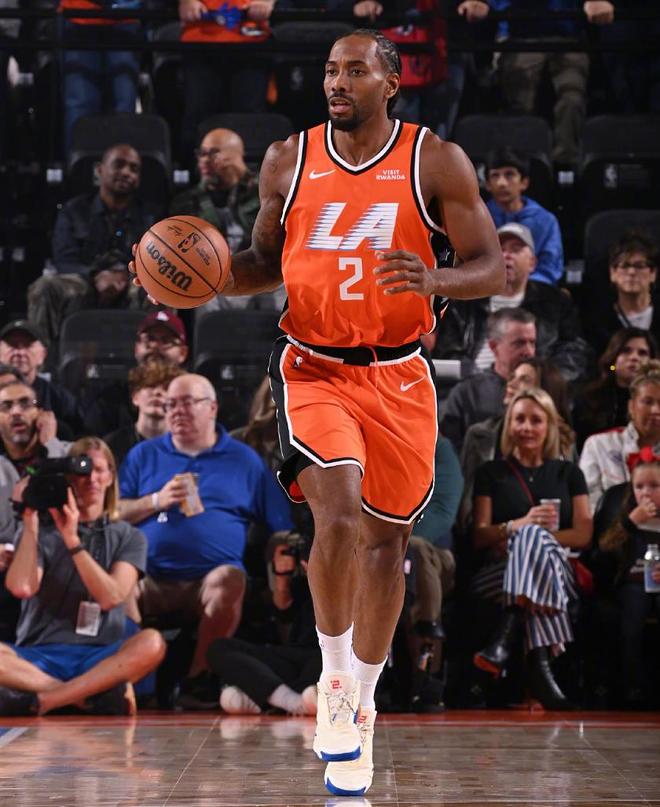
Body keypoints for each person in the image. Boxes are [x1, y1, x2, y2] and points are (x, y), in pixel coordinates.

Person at [132, 28, 503, 794]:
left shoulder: (435, 159)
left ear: (390, 82)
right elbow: (263, 263)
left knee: (386, 545)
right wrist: (201, 276)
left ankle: (361, 702)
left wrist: (435, 281)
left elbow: (493, 266)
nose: (337, 82)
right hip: (312, 365)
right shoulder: (287, 158)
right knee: (335, 516)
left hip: (399, 373)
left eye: (354, 71)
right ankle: (334, 682)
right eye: (330, 70)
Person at [118, 373, 295, 708]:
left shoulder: (244, 460)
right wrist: (155, 501)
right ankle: (138, 680)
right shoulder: (144, 454)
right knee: (119, 580)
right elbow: (114, 514)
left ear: (212, 407)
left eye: (187, 402)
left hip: (210, 579)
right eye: (171, 404)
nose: (177, 411)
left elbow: (280, 525)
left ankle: (198, 681)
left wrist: (281, 559)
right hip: (150, 577)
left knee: (230, 579)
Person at [0, 437, 166, 716]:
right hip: (41, 655)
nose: (91, 478)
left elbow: (111, 597)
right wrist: (29, 521)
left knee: (152, 642)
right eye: (82, 471)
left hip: (100, 655)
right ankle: (81, 697)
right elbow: (23, 587)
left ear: (111, 476)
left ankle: (46, 699)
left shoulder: (129, 536)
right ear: (68, 479)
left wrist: (73, 542)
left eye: (99, 469)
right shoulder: (38, 531)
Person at [470, 387, 592, 708]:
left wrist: (535, 538)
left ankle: (507, 632)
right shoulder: (490, 473)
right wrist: (518, 525)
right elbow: (479, 536)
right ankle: (540, 667)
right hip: (499, 574)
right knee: (529, 537)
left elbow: (583, 534)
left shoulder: (569, 473)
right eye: (519, 419)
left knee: (533, 538)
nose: (526, 427)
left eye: (536, 420)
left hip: (560, 571)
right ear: (508, 424)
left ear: (549, 426)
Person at [435, 222, 589, 380]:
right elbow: (447, 352)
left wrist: (542, 378)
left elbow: (575, 352)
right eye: (501, 249)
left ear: (532, 263)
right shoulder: (465, 300)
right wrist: (474, 380)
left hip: (533, 385)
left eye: (515, 249)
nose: (507, 255)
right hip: (474, 385)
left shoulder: (555, 302)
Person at [485, 1, 614, 165]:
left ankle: (566, 164)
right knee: (519, 102)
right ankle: (519, 163)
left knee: (572, 99)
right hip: (520, 36)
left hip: (568, 37)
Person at [458, 355, 575, 535]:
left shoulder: (565, 441)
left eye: (524, 380)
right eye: (512, 377)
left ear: (544, 392)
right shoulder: (480, 436)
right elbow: (466, 509)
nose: (511, 383)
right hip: (496, 540)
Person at [209, 539, 319, 716]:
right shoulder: (302, 578)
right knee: (219, 648)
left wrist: (323, 575)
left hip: (327, 656)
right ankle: (293, 702)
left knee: (232, 698)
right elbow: (283, 613)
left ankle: (265, 698)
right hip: (292, 655)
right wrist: (281, 577)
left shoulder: (354, 571)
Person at [598, 450, 660, 708]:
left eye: (654, 486)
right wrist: (629, 523)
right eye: (639, 486)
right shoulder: (627, 518)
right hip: (633, 583)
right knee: (632, 616)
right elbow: (603, 550)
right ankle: (632, 686)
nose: (646, 493)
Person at [178, 0, 275, 161]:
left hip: (251, 39)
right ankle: (195, 170)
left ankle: (250, 172)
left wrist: (266, 1)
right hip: (200, 39)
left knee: (249, 116)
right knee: (198, 112)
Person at [440, 307, 536, 453]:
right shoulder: (466, 393)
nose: (528, 352)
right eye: (519, 343)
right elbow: (450, 450)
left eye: (532, 343)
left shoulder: (546, 387)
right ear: (493, 346)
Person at [82, 309, 189, 437]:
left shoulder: (194, 398)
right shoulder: (110, 399)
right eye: (149, 339)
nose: (155, 345)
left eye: (166, 341)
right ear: (137, 348)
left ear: (183, 353)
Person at [58, 0, 143, 155]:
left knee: (124, 106)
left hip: (126, 16)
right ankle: (79, 166)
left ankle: (121, 166)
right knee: (80, 106)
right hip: (78, 16)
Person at [580, 361, 660, 511]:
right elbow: (588, 506)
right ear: (631, 406)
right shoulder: (598, 445)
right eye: (647, 402)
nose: (655, 410)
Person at [484, 148, 563, 286]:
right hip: (486, 291)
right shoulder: (476, 219)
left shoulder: (546, 221)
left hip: (533, 291)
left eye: (509, 174)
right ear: (488, 185)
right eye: (495, 175)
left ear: (524, 182)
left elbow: (549, 269)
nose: (502, 183)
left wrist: (520, 290)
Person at [573, 328, 658, 450]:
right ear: (613, 358)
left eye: (642, 353)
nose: (634, 357)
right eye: (626, 351)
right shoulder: (589, 398)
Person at [584, 230, 660, 357]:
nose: (631, 272)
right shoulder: (597, 322)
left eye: (639, 266)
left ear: (653, 273)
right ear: (612, 273)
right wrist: (615, 367)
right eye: (624, 266)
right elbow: (601, 364)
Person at [0, 320, 81, 437]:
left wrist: (52, 441)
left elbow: (82, 439)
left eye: (28, 345)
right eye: (12, 345)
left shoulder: (61, 400)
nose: (19, 352)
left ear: (43, 354)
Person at [104, 360, 186, 468]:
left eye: (166, 388)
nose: (157, 392)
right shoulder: (112, 444)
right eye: (151, 386)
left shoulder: (189, 445)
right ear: (135, 397)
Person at [0, 380, 71, 476]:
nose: (16, 412)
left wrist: (51, 445)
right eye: (6, 406)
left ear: (41, 413)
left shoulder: (73, 453)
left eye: (26, 404)